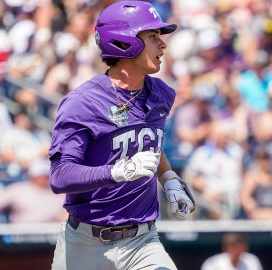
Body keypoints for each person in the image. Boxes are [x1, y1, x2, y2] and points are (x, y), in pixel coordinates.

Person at [48, 2, 196, 270]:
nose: (162, 45)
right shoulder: (82, 103)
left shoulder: (162, 94)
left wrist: (169, 179)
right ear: (124, 43)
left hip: (143, 242)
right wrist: (118, 171)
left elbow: (148, 144)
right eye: (152, 37)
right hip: (85, 243)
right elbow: (60, 176)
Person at [0, 158, 66, 223]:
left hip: (52, 239)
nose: (43, 178)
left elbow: (68, 216)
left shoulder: (60, 194)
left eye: (45, 175)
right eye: (40, 175)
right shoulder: (18, 189)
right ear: (32, 175)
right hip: (21, 237)